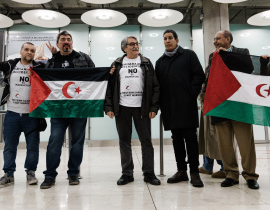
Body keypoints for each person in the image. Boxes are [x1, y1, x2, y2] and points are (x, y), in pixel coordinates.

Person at [40, 31, 95, 189]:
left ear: (72, 43)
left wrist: (107, 74)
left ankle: (73, 173)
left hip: (79, 110)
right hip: (58, 110)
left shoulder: (83, 58)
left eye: (68, 39)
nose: (66, 42)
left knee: (77, 143)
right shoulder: (51, 61)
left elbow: (94, 78)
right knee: (54, 141)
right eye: (63, 40)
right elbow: (43, 81)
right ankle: (50, 175)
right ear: (57, 44)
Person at [104, 36, 161, 186]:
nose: (135, 46)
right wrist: (109, 107)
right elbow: (109, 87)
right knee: (124, 141)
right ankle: (127, 173)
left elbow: (155, 86)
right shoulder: (117, 64)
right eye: (132, 44)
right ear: (124, 48)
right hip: (122, 108)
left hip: (142, 108)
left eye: (136, 44)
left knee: (146, 141)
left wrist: (154, 107)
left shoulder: (146, 63)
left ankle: (149, 173)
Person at [207, 30, 259, 189]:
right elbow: (212, 77)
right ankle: (231, 174)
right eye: (214, 38)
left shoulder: (242, 52)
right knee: (225, 144)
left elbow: (248, 68)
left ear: (228, 39)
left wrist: (227, 56)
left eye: (218, 38)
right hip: (221, 105)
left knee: (245, 143)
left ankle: (250, 176)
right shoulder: (212, 56)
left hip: (240, 104)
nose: (215, 41)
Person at [155, 29, 205, 187]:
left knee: (190, 139)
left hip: (187, 104)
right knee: (176, 139)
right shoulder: (160, 62)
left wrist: (191, 94)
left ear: (177, 40)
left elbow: (199, 75)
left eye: (170, 38)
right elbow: (157, 86)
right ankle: (181, 171)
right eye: (165, 39)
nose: (167, 41)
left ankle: (194, 173)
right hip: (169, 107)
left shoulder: (189, 55)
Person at [0, 42, 41, 187]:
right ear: (21, 51)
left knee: (33, 146)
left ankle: (30, 173)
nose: (29, 52)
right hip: (12, 113)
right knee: (10, 146)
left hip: (32, 114)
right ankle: (8, 174)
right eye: (26, 49)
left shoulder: (38, 68)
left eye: (32, 50)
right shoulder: (11, 65)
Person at [198, 65, 225, 179]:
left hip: (218, 105)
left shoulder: (222, 70)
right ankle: (207, 166)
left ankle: (224, 167)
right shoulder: (208, 70)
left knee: (217, 137)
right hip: (207, 104)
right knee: (205, 136)